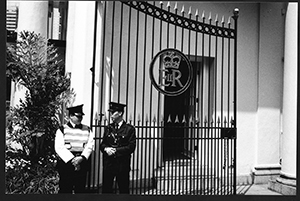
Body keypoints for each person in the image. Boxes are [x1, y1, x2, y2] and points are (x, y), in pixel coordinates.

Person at [54, 104, 95, 194]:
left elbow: (90, 145)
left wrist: (82, 158)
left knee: (80, 189)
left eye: (81, 116)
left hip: (82, 162)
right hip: (66, 164)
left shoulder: (87, 129)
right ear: (71, 116)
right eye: (78, 116)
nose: (80, 118)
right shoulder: (62, 129)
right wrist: (72, 160)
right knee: (65, 189)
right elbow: (59, 147)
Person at [100, 102, 136, 194]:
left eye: (113, 113)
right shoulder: (108, 128)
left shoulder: (129, 129)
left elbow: (131, 147)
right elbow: (102, 144)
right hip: (109, 164)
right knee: (106, 190)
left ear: (120, 113)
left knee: (123, 190)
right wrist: (106, 149)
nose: (111, 115)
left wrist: (116, 151)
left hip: (122, 165)